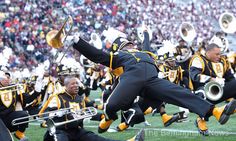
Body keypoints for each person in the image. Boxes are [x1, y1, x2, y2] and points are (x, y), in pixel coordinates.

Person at [63, 30, 236, 135]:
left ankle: (215, 111)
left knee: (180, 93)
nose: (131, 46)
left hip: (151, 80)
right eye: (127, 45)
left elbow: (147, 45)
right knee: (111, 105)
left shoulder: (145, 53)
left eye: (132, 43)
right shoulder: (119, 56)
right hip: (133, 77)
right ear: (121, 49)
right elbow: (97, 55)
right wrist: (78, 42)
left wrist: (146, 33)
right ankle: (108, 118)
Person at [42, 76, 144, 141]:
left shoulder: (79, 99)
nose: (76, 86)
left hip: (77, 130)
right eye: (73, 84)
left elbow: (87, 113)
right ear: (66, 86)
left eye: (77, 83)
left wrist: (103, 116)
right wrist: (55, 114)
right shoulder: (57, 97)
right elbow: (45, 114)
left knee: (98, 139)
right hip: (60, 131)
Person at [189, 43, 236, 135]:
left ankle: (229, 109)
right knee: (201, 93)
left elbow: (231, 79)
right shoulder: (198, 59)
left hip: (220, 91)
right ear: (208, 52)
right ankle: (202, 119)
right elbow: (194, 76)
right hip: (202, 93)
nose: (219, 56)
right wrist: (212, 79)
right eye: (216, 54)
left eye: (219, 54)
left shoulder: (223, 61)